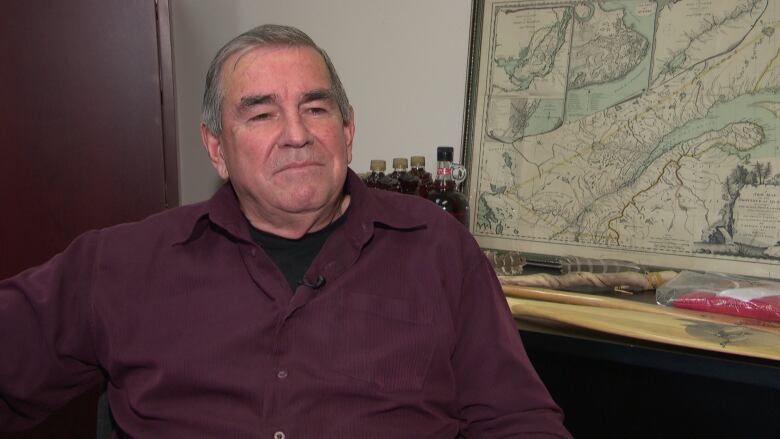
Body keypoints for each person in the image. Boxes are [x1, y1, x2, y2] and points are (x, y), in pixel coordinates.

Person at [0, 24, 571, 438]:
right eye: (261, 113)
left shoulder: (438, 248)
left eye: (316, 109)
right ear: (217, 148)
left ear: (348, 129)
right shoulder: (122, 263)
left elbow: (518, 420)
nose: (296, 134)